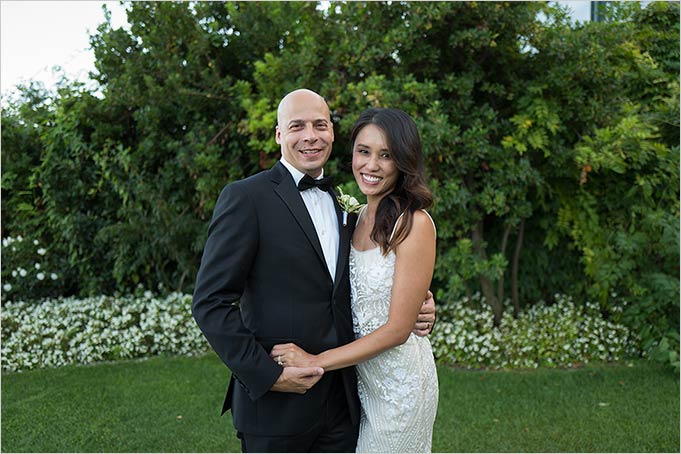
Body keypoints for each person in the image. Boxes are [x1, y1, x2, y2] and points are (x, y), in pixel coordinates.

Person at [192, 89, 436, 453]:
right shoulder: (246, 198)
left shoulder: (349, 206)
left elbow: (368, 281)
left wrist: (423, 305)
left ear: (332, 133)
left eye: (320, 125)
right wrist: (269, 375)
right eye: (297, 126)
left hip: (344, 403)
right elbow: (210, 302)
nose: (310, 135)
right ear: (279, 134)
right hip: (277, 409)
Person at [270, 107, 439, 453]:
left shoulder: (414, 223)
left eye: (386, 155)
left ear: (403, 162)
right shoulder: (352, 217)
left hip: (400, 387)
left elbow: (397, 329)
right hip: (360, 386)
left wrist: (314, 360)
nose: (371, 165)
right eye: (364, 151)